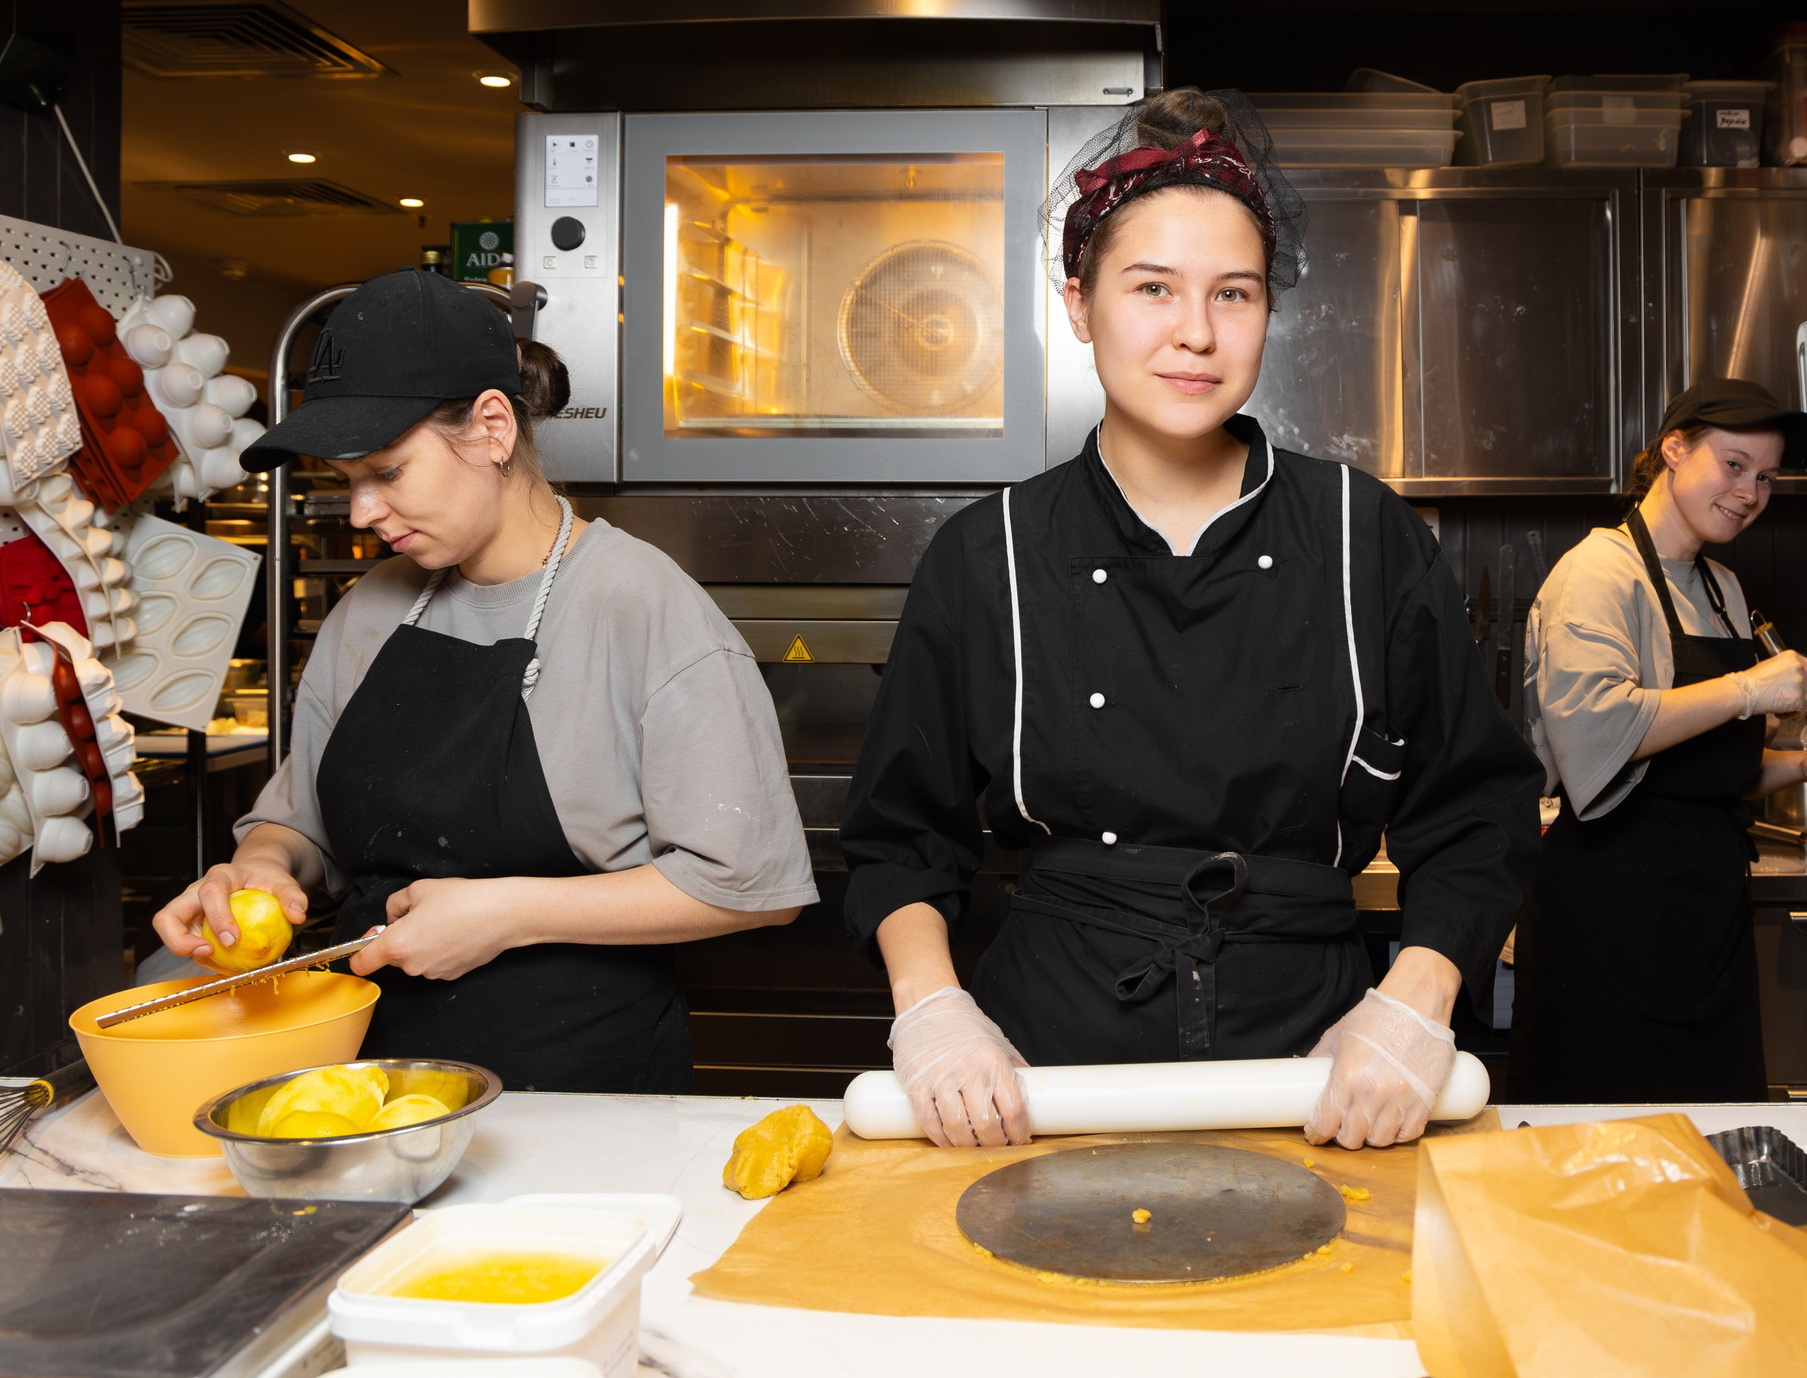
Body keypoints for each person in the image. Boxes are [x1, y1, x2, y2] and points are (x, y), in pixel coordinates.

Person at [838, 90, 1545, 1151]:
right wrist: (935, 1009)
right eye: (1151, 288)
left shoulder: (1364, 533)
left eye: (1234, 293)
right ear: (1078, 304)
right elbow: (900, 836)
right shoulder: (988, 555)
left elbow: (1477, 811)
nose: (1196, 333)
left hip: (1322, 1067)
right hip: (1046, 1073)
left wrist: (1413, 1002)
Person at [151, 268, 816, 1094]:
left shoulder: (637, 604)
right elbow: (305, 821)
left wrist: (508, 914)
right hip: (369, 1075)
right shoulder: (372, 607)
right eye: (344, 482)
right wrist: (261, 863)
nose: (361, 513)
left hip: (578, 1091)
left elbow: (752, 885)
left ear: (493, 428)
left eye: (386, 474)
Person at [1510, 379, 1807, 1104]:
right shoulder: (1599, 573)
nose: (1750, 491)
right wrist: (1753, 688)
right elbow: (1595, 732)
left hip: (1707, 913)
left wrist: (1806, 768)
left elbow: (1703, 770)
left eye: (1766, 477)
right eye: (1733, 464)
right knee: (1604, 1154)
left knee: (1713, 1141)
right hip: (1611, 916)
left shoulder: (1722, 585)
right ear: (1674, 449)